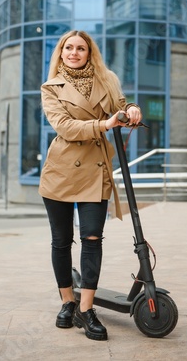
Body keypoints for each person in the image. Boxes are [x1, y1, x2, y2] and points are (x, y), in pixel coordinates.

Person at [39, 30, 142, 341]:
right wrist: (105, 124)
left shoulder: (107, 79)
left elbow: (122, 106)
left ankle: (86, 309)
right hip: (60, 171)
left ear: (88, 52)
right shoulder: (51, 87)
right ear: (60, 52)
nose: (74, 52)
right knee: (61, 241)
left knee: (93, 239)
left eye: (80, 48)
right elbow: (65, 127)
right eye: (68, 47)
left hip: (95, 172)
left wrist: (132, 110)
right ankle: (67, 302)